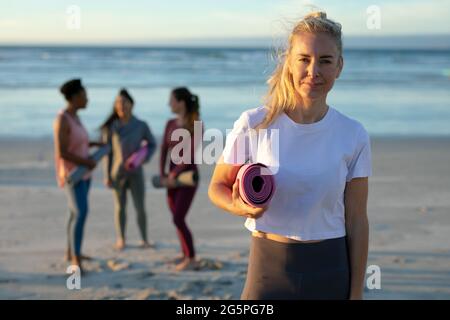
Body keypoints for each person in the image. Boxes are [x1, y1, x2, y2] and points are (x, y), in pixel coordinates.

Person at [208, 12, 372, 299]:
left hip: (331, 269)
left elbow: (357, 220)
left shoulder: (353, 134)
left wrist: (356, 292)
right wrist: (242, 208)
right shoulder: (255, 123)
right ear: (288, 63)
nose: (314, 71)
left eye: (325, 60)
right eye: (304, 59)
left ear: (340, 66)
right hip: (268, 269)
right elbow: (217, 187)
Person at [53, 78, 102, 272]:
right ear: (74, 98)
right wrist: (88, 162)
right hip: (71, 175)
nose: (87, 99)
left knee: (73, 213)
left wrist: (94, 145)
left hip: (84, 174)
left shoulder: (75, 117)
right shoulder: (62, 119)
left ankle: (71, 251)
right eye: (84, 96)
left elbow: (77, 143)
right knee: (81, 213)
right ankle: (76, 259)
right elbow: (62, 152)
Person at [101, 89, 156, 250]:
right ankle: (121, 239)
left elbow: (152, 144)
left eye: (124, 102)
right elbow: (107, 153)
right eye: (118, 103)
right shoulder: (112, 127)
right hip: (117, 173)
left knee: (140, 207)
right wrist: (107, 175)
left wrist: (143, 158)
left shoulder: (141, 125)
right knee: (120, 207)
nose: (121, 106)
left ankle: (144, 239)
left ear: (132, 104)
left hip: (136, 173)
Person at [160, 87, 202, 271]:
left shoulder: (196, 124)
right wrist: (163, 174)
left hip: (188, 176)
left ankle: (191, 258)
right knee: (175, 216)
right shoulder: (170, 123)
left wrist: (174, 175)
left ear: (181, 102)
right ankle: (184, 253)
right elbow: (163, 149)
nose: (169, 103)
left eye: (172, 100)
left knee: (179, 218)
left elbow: (190, 155)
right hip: (170, 175)